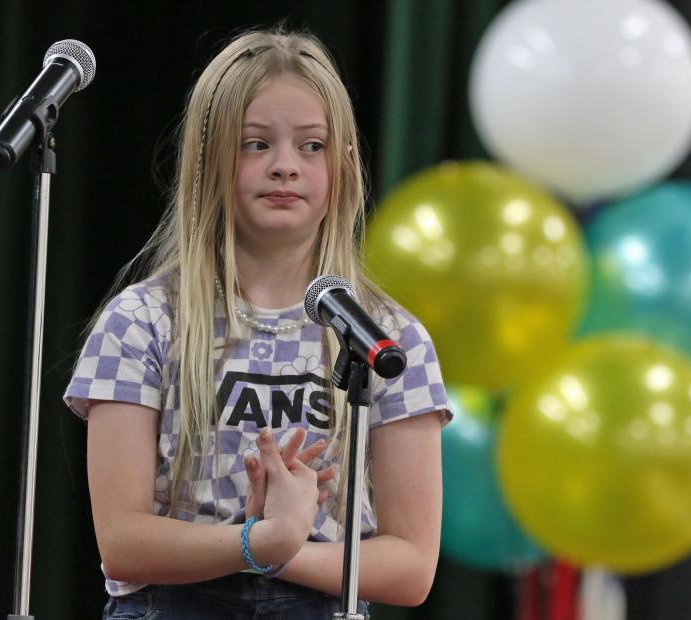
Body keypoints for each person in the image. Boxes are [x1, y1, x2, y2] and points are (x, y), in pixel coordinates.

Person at [63, 25, 452, 619]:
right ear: (210, 161)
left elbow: (411, 567)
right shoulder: (141, 321)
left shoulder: (385, 337)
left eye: (312, 146)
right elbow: (122, 544)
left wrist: (279, 547)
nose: (285, 167)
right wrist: (257, 541)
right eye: (256, 144)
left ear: (343, 165)